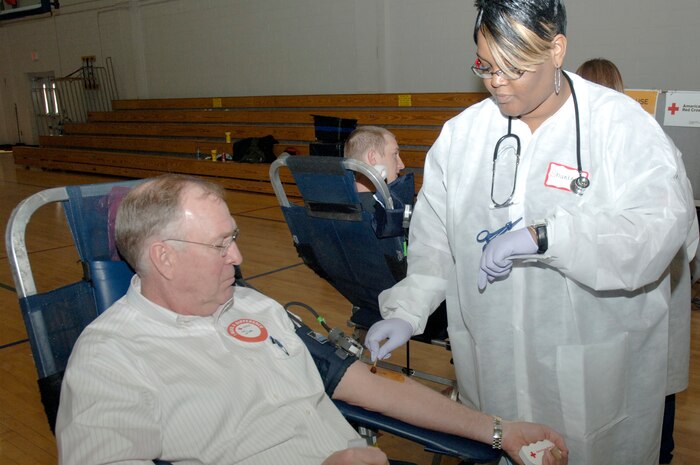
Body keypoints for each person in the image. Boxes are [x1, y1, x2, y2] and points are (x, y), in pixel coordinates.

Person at [364, 1, 697, 464]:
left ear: (557, 50)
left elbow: (656, 231)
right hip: (493, 367)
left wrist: (548, 239)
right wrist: (408, 309)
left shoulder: (619, 126)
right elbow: (436, 243)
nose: (497, 81)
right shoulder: (462, 138)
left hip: (591, 369)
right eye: (486, 65)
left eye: (515, 68)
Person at [55, 174, 568, 465]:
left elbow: (365, 386)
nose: (238, 257)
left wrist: (500, 431)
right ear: (164, 258)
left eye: (233, 237)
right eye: (221, 244)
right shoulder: (111, 358)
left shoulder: (256, 308)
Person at [577, 56, 699, 464]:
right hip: (631, 309)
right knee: (646, 391)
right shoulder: (657, 144)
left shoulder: (642, 150)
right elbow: (692, 243)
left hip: (629, 309)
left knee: (632, 392)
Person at [344, 126, 405, 212]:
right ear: (372, 158)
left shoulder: (333, 204)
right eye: (395, 154)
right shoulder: (380, 214)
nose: (402, 165)